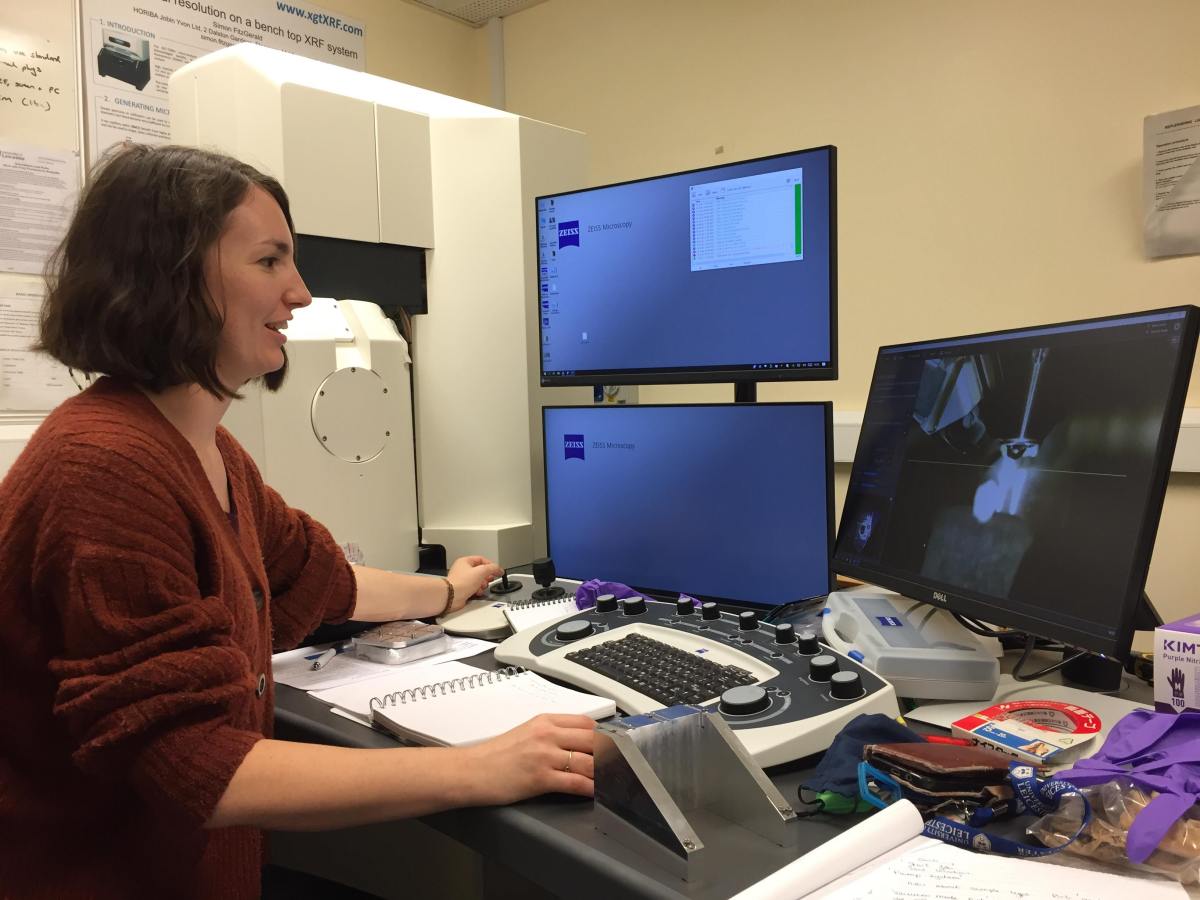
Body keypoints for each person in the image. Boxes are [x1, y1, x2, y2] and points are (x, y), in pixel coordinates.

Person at [0, 143, 598, 899]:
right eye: (269, 261)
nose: (302, 293)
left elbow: (315, 579)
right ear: (171, 277)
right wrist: (480, 766)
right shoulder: (105, 468)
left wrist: (446, 593)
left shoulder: (206, 450)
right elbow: (194, 767)